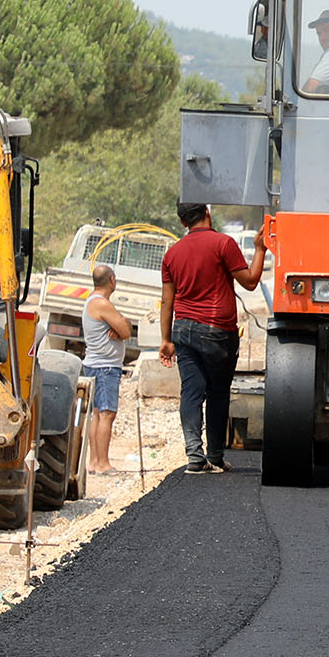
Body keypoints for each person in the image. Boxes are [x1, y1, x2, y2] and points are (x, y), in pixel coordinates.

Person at [158, 202, 268, 473]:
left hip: (183, 330)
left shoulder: (172, 253)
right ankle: (215, 457)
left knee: (192, 391)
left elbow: (166, 301)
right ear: (207, 213)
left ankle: (195, 456)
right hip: (217, 331)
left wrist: (165, 340)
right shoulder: (223, 244)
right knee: (218, 394)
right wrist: (260, 248)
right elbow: (251, 281)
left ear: (183, 222)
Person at [82, 264, 135, 475]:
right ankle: (102, 463)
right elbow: (125, 330)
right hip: (105, 367)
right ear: (112, 280)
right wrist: (122, 325)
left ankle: (95, 462)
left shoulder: (95, 302)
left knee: (98, 414)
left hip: (97, 365)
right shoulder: (102, 304)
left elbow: (122, 326)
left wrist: (122, 325)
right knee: (106, 414)